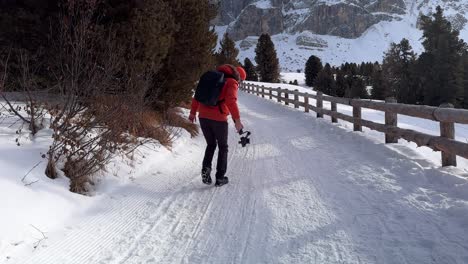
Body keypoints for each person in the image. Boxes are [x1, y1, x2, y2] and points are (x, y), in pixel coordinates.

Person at [189, 64, 247, 186]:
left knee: (211, 144)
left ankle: (206, 168)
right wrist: (237, 120)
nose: (240, 83)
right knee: (223, 147)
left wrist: (193, 112)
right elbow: (231, 101)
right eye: (241, 81)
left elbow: (197, 95)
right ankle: (220, 177)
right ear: (239, 77)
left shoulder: (212, 78)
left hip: (203, 116)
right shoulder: (232, 82)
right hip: (218, 119)